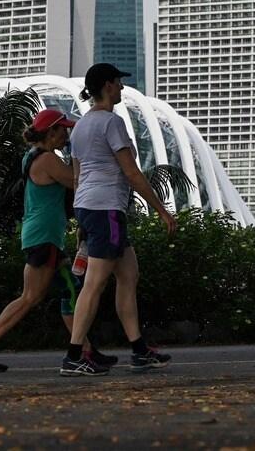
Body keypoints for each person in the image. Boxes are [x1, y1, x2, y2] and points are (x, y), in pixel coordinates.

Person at [0, 108, 116, 373]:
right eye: (63, 130)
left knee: (70, 290)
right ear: (51, 132)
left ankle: (86, 350)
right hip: (43, 236)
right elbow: (78, 181)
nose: (66, 135)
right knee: (31, 297)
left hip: (43, 235)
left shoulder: (33, 156)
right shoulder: (46, 160)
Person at [60, 63, 178, 377]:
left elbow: (77, 174)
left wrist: (81, 220)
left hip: (89, 207)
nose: (122, 88)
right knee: (95, 284)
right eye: (118, 83)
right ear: (108, 86)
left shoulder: (83, 125)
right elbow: (131, 173)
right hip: (106, 209)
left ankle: (139, 351)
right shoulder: (111, 122)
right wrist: (161, 210)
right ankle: (74, 356)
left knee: (128, 275)